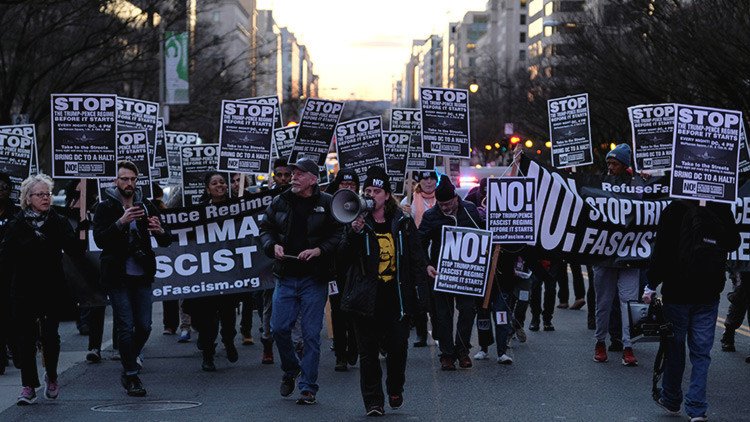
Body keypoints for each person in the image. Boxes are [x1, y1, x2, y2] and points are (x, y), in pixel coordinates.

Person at [338, 166, 428, 416]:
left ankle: (395, 387)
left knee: (398, 350)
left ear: (387, 195)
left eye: (376, 191)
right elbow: (342, 259)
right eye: (367, 190)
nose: (371, 195)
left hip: (395, 297)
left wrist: (421, 297)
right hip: (365, 299)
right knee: (368, 355)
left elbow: (416, 260)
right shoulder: (355, 221)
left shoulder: (403, 222)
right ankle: (373, 402)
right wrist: (353, 233)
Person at [0, 174, 92, 405]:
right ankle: (28, 386)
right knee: (26, 339)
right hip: (22, 289)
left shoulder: (58, 222)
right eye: (40, 194)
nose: (45, 198)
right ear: (28, 198)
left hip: (51, 288)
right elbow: (5, 259)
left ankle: (51, 375)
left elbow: (75, 251)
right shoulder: (16, 224)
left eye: (48, 194)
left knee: (50, 337)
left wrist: (82, 226)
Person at [645, 199, 740, 421]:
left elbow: (662, 251)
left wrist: (651, 283)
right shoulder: (721, 207)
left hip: (677, 292)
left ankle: (671, 399)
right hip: (708, 292)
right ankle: (697, 408)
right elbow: (733, 242)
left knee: (674, 348)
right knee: (701, 353)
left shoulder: (675, 209)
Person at [259, 158, 343, 405]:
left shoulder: (327, 204)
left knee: (310, 335)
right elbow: (265, 228)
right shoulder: (280, 201)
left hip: (313, 279)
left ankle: (308, 387)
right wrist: (270, 245)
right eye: (293, 173)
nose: (293, 176)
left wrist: (319, 250)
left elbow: (339, 234)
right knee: (279, 329)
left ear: (313, 179)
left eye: (300, 173)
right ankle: (291, 369)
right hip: (285, 276)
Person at [93, 161, 172, 397]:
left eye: (133, 179)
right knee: (125, 326)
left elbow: (166, 238)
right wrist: (121, 222)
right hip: (118, 276)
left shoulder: (145, 205)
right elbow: (100, 241)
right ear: (116, 181)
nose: (129, 183)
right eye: (125, 179)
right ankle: (131, 374)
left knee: (145, 326)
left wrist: (159, 231)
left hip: (141, 274)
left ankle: (130, 358)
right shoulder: (105, 207)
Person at [419, 175, 483, 370]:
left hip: (466, 272)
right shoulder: (431, 216)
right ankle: (447, 354)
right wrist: (427, 265)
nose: (444, 208)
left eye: (448, 204)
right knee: (443, 315)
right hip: (442, 272)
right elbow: (419, 243)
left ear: (456, 198)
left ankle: (462, 350)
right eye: (441, 204)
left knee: (467, 311)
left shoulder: (470, 210)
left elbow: (481, 235)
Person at [181, 172, 242, 371]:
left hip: (229, 270)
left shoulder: (237, 208)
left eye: (222, 182)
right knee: (207, 317)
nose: (219, 186)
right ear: (207, 189)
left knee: (228, 314)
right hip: (206, 271)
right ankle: (208, 354)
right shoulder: (198, 212)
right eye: (214, 183)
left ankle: (229, 340)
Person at [592, 143, 640, 366]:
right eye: (608, 163)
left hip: (631, 255)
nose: (610, 167)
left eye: (614, 163)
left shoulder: (639, 187)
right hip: (604, 254)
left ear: (624, 165)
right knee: (603, 302)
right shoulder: (600, 184)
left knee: (628, 302)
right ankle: (600, 341)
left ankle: (628, 346)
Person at [258, 158, 296, 364]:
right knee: (269, 304)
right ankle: (267, 341)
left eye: (286, 175)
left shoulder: (297, 196)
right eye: (279, 175)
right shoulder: (263, 197)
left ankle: (296, 344)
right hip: (269, 259)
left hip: (293, 258)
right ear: (273, 176)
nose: (283, 179)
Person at [325, 168, 360, 371]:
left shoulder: (362, 206)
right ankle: (340, 353)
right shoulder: (328, 206)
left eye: (352, 186)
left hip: (356, 269)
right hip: (334, 269)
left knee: (354, 309)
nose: (348, 188)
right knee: (337, 311)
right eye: (344, 185)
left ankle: (353, 345)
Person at [400, 171, 438, 347]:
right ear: (419, 181)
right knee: (420, 296)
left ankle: (439, 331)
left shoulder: (441, 197)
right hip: (417, 254)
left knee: (438, 296)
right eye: (425, 178)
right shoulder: (409, 200)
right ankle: (422, 334)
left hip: (438, 252)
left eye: (432, 178)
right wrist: (405, 215)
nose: (428, 182)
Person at [0, 173, 20, 375]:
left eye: (5, 188)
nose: (1, 192)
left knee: (11, 314)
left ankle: (15, 348)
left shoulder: (15, 213)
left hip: (12, 272)